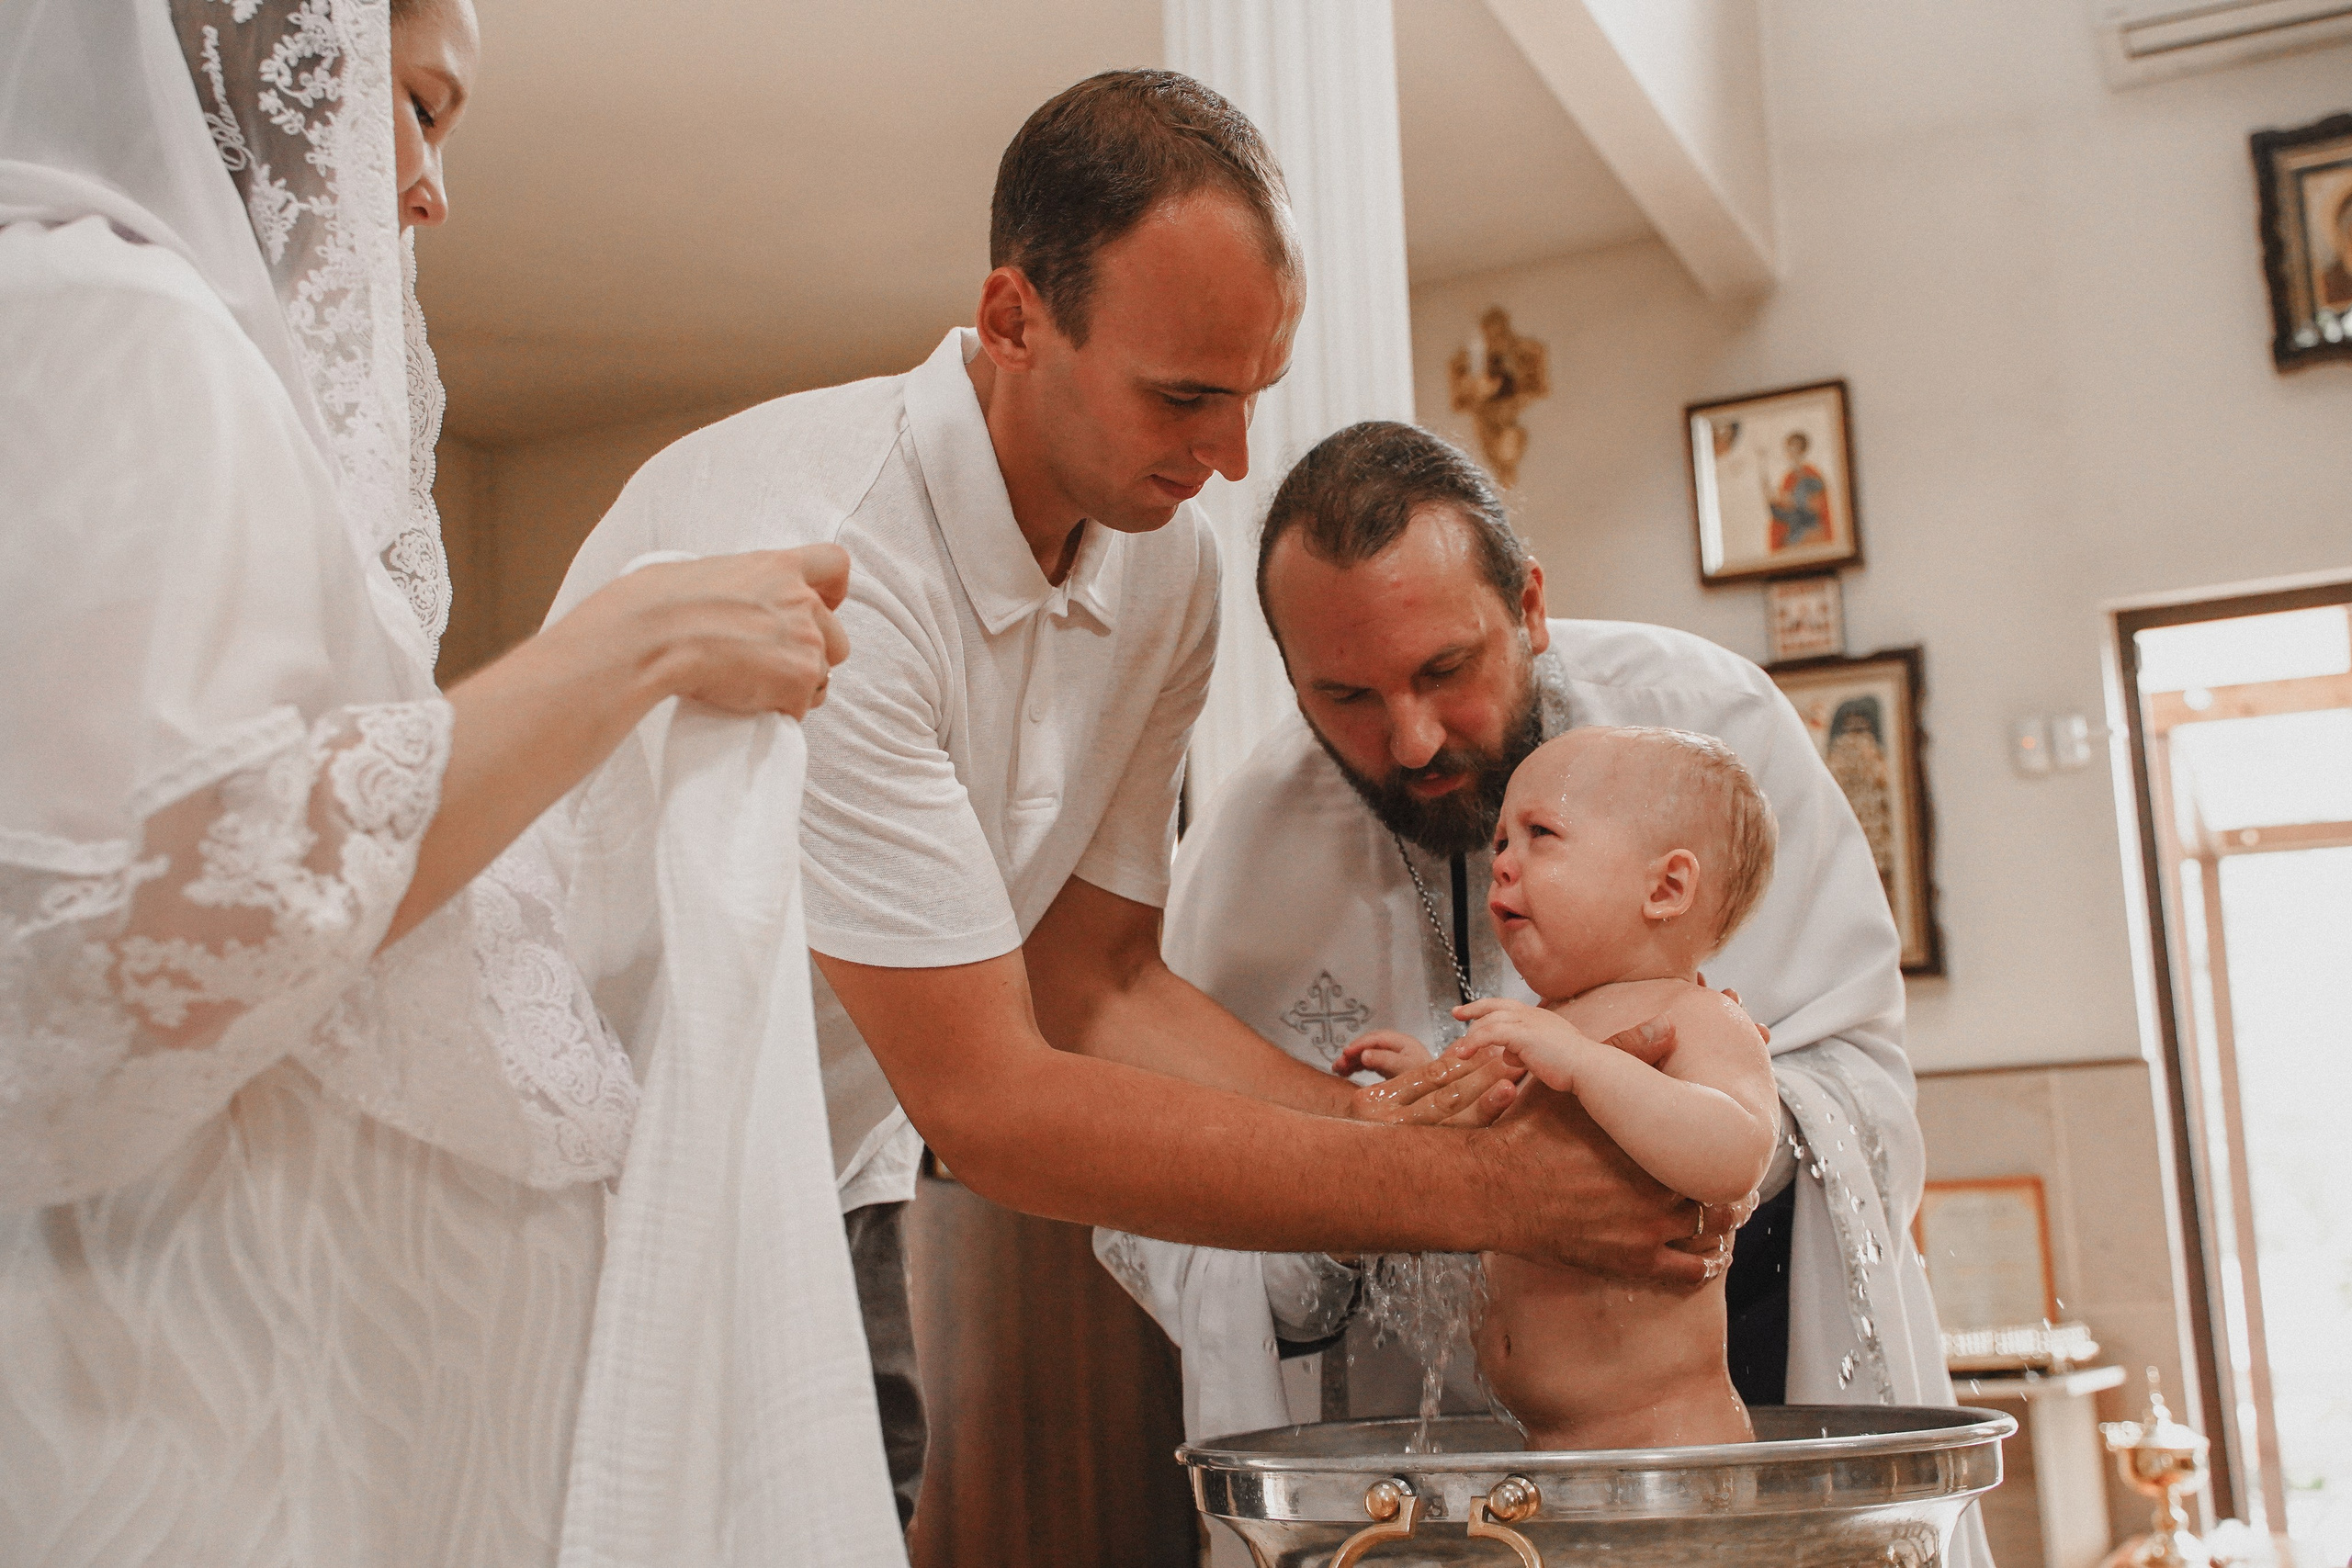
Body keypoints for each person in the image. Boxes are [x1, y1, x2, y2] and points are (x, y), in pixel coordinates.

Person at [552, 71, 1726, 1520]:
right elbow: (989, 1100)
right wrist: (1483, 1194)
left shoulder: (1162, 564)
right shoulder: (837, 556)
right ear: (1013, 319)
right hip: (572, 1169)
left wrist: (1393, 1129)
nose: (1231, 456)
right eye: (1183, 395)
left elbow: (1093, 975)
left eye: (1252, 395)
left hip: (818, 1175)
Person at [0, 1, 886, 1561]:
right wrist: (633, 645)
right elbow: (140, 930)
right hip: (206, 1416)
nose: (429, 189)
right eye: (412, 104)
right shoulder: (117, 320)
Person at [1102, 419, 1987, 1565]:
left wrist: (1650, 1147)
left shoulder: (1707, 735)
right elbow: (1154, 1201)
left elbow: (1856, 1086)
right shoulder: (1250, 844)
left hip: (1710, 1434)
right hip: (1419, 1492)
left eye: (1443, 671)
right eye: (1347, 698)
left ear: (1525, 604)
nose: (1412, 739)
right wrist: (1359, 1188)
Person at [1456, 727, 1780, 1450]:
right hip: (1541, 1441)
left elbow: (1735, 1152)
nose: (1503, 863)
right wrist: (1439, 1095)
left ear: (1665, 888)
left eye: (1541, 833)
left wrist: (1587, 1065)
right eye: (1502, 841)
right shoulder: (1545, 1027)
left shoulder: (1696, 1017)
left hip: (1672, 1441)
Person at [1767, 428, 1832, 551]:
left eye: (1794, 448)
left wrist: (1799, 502)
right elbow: (1784, 504)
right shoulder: (1788, 477)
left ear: (1801, 449)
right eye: (1789, 448)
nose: (1791, 452)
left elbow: (1818, 503)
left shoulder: (1812, 472)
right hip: (1794, 525)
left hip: (1811, 524)